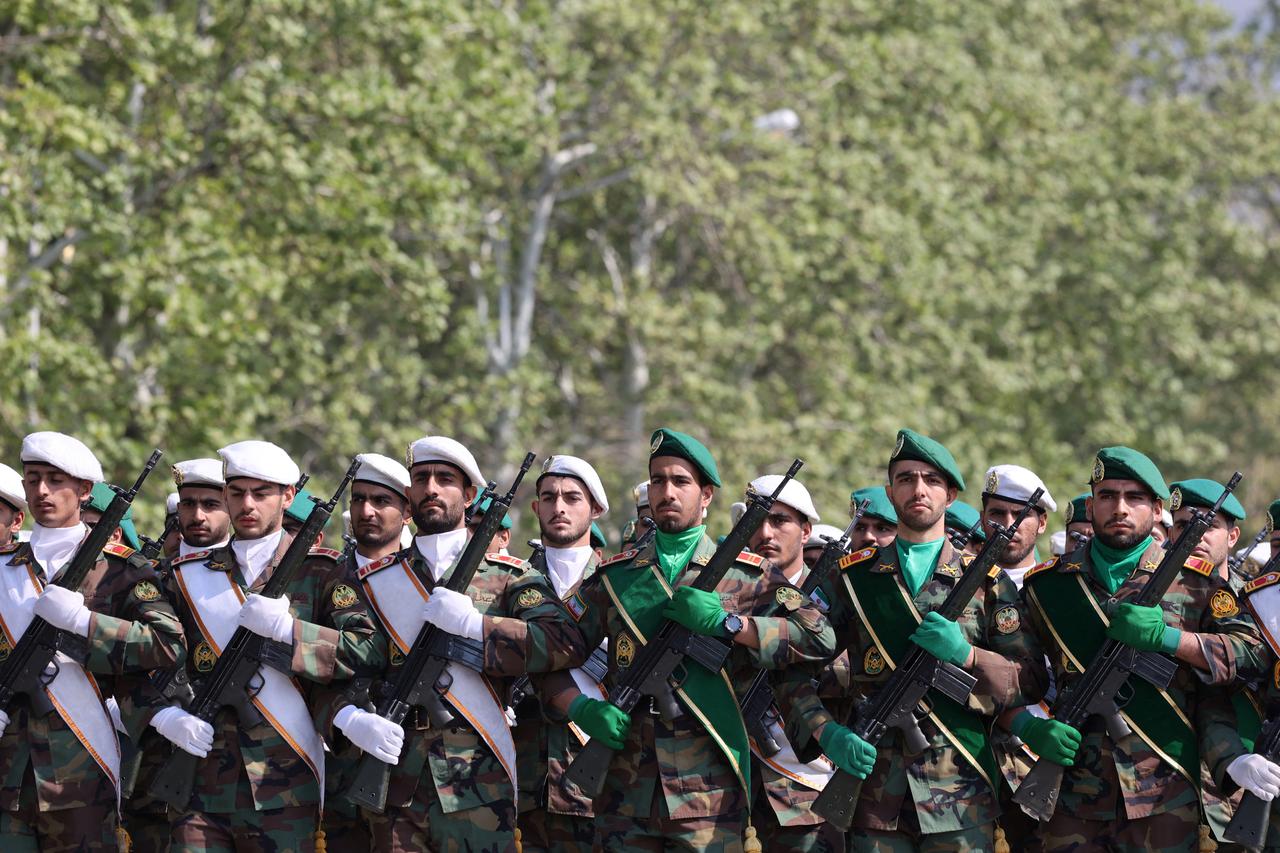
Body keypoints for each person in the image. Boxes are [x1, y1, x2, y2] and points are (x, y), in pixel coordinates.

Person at [539, 428, 835, 851]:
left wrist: (731, 625)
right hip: (626, 793)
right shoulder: (615, 577)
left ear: (707, 495)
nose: (667, 492)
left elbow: (819, 637)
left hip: (710, 794)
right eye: (658, 480)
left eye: (681, 481)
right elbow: (547, 651)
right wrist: (580, 707)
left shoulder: (746, 575)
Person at [781, 429, 1048, 851]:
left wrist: (969, 655)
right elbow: (792, 667)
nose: (918, 489)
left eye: (931, 479)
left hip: (961, 794)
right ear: (890, 491)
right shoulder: (850, 578)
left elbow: (1030, 680)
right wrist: (826, 732)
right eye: (905, 479)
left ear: (952, 495)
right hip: (874, 796)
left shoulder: (986, 582)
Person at [341, 436, 586, 852]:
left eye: (445, 479)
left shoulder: (509, 575)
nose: (431, 488)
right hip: (396, 783)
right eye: (421, 478)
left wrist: (477, 626)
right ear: (408, 494)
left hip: (480, 783)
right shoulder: (373, 580)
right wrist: (348, 716)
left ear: (470, 495)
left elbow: (563, 643)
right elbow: (340, 664)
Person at [1014, 449, 1264, 852]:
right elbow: (1020, 674)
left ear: (1158, 509)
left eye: (1135, 498)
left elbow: (1254, 654)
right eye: (1108, 495)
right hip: (1074, 789)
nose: (1120, 508)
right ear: (1092, 503)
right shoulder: (1048, 587)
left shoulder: (1196, 585)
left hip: (1165, 794)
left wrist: (1171, 639)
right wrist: (1027, 725)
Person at [154, 440, 383, 851]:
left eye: (261, 494)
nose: (247, 505)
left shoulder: (321, 571)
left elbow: (365, 650)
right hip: (201, 779)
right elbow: (150, 660)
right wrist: (163, 714)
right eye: (237, 492)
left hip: (285, 781)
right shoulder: (184, 575)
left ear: (288, 497)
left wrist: (289, 631)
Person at [0, 431, 184, 849]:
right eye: (32, 479)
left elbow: (167, 644)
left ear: (85, 490)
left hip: (81, 771)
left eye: (55, 479)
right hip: (8, 772)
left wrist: (85, 623)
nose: (42, 491)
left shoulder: (121, 569)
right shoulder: (5, 566)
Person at [515, 454, 610, 853]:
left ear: (595, 509)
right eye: (549, 497)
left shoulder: (618, 584)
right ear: (535, 507)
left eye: (572, 497)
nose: (559, 507)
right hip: (521, 779)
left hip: (599, 783)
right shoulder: (512, 580)